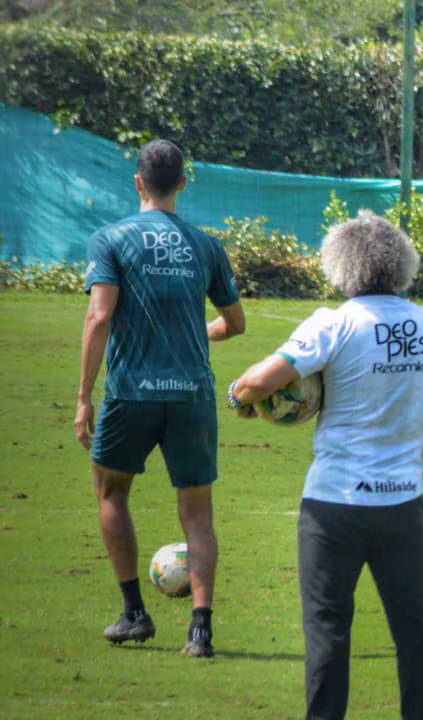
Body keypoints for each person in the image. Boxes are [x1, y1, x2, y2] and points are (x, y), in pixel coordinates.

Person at [228, 210, 423, 719]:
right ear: (401, 265)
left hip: (333, 506)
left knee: (329, 629)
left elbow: (258, 383)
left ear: (342, 265)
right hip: (401, 505)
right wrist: (412, 474)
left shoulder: (333, 322)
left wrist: (236, 393)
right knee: (415, 628)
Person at [75, 139, 246, 657]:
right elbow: (235, 324)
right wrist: (196, 332)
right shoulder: (207, 245)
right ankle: (201, 629)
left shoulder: (111, 239)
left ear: (137, 182)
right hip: (192, 394)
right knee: (196, 513)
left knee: (112, 493)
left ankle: (134, 614)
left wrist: (84, 396)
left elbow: (100, 316)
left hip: (131, 392)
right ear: (183, 183)